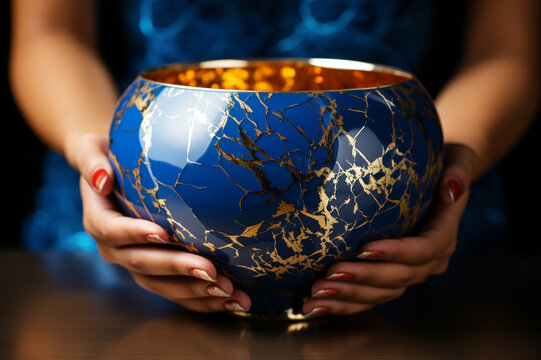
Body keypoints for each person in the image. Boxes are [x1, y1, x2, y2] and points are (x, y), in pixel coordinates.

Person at [9, 0, 540, 317]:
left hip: (400, 224)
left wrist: (451, 164)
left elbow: (507, 50)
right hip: (140, 211)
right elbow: (49, 31)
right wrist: (95, 152)